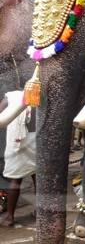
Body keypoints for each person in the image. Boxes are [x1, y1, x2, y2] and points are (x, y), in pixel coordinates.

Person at [0, 91, 36, 227]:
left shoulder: (10, 96)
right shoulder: (37, 94)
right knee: (37, 177)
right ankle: (41, 211)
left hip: (17, 142)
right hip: (36, 140)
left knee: (15, 180)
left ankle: (10, 217)